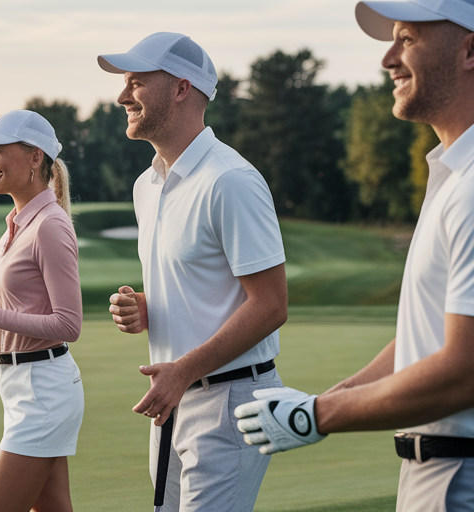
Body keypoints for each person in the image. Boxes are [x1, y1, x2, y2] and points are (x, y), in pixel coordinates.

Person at [233, 1, 474, 511]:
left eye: (408, 39)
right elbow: (428, 341)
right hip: (461, 476)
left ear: (472, 48)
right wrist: (319, 402)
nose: (388, 59)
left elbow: (468, 371)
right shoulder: (469, 174)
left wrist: (320, 415)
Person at [99, 32, 290, 511]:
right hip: (174, 400)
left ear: (182, 88)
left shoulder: (231, 180)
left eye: (137, 82)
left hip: (230, 402)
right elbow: (201, 285)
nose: (123, 95)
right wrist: (149, 307)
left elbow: (270, 305)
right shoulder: (148, 184)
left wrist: (183, 370)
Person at [0, 109, 84, 512]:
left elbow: (68, 323)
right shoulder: (17, 223)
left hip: (43, 390)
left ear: (35, 157)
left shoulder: (49, 226)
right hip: (19, 385)